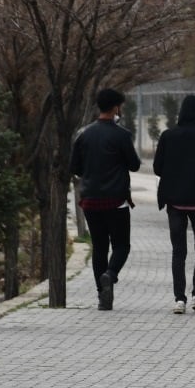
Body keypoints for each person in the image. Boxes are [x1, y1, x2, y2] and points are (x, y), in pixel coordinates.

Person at [70, 87, 142, 310]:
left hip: (90, 199)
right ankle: (110, 275)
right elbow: (135, 164)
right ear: (115, 108)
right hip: (116, 200)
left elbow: (75, 167)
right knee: (121, 245)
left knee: (99, 247)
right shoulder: (122, 135)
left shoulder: (84, 134)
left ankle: (102, 296)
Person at [153, 95, 195, 314]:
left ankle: (179, 299)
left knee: (178, 251)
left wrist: (175, 176)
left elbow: (157, 168)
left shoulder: (168, 136)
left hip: (175, 201)